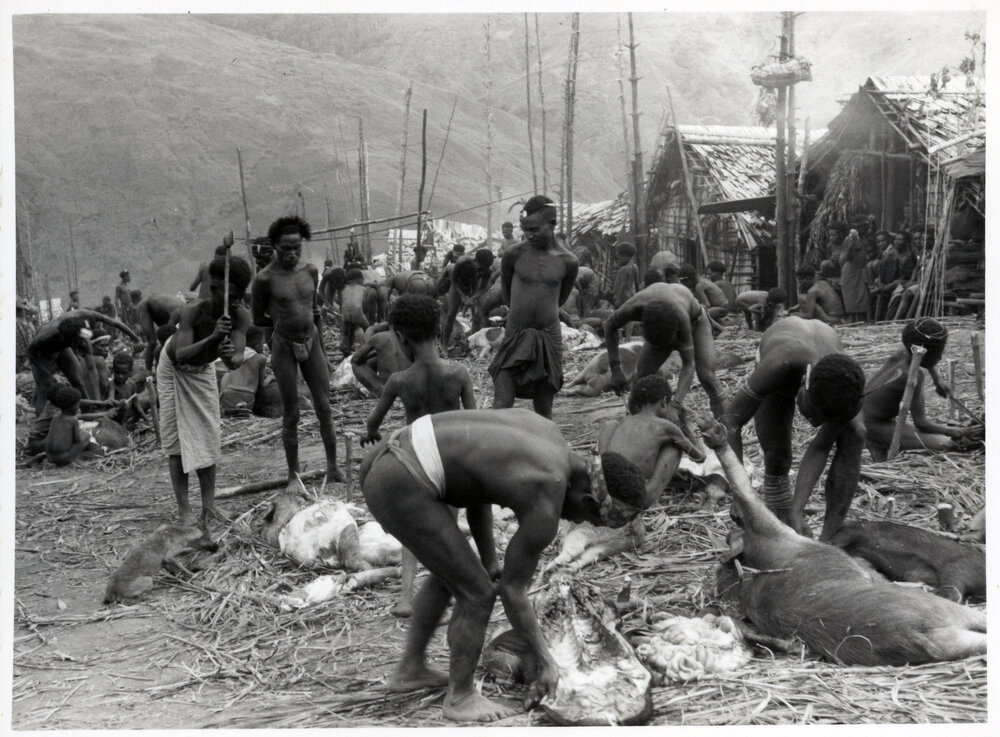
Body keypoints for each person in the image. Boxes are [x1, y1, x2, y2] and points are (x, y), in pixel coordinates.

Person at [360, 408, 646, 722]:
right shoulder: (548, 489)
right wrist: (547, 660)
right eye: (586, 517)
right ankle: (460, 697)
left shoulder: (548, 436)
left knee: (452, 576)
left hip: (391, 454)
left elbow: (477, 487)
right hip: (401, 480)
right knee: (478, 593)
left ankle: (411, 668)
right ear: (588, 499)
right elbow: (513, 591)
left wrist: (489, 559)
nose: (576, 520)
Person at [361, 294, 483, 618]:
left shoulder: (399, 381)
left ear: (400, 338)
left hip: (415, 462)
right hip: (451, 461)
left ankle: (405, 597)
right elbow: (475, 419)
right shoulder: (458, 373)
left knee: (414, 533)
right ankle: (455, 587)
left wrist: (370, 435)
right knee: (447, 528)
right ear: (438, 330)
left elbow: (373, 423)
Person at [721, 315, 866, 540]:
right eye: (812, 414)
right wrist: (740, 493)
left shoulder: (848, 394)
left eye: (821, 420)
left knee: (855, 433)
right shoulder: (779, 365)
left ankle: (830, 538)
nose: (815, 424)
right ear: (805, 387)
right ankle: (779, 524)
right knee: (777, 457)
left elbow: (821, 446)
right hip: (784, 352)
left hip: (826, 358)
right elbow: (731, 421)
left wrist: (798, 509)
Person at [159, 254, 252, 531]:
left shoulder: (240, 316)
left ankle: (209, 506)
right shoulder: (193, 312)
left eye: (239, 296)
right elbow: (180, 353)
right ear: (215, 290)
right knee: (176, 439)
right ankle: (184, 510)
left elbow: (235, 359)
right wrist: (212, 339)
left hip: (202, 370)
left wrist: (229, 355)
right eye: (231, 295)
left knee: (207, 433)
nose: (235, 301)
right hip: (174, 369)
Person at [251, 216, 344, 488]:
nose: (292, 254)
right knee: (291, 412)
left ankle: (333, 465)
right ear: (274, 247)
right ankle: (293, 475)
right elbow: (259, 318)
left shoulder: (310, 272)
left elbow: (314, 310)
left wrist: (320, 348)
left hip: (312, 341)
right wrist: (282, 334)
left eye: (296, 248)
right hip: (283, 345)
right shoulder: (265, 279)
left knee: (324, 407)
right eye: (285, 249)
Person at [489, 195, 578, 418]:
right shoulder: (513, 254)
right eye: (525, 229)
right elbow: (507, 293)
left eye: (535, 229)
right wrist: (520, 315)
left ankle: (544, 449)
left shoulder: (568, 261)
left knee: (544, 408)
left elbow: (559, 299)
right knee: (501, 405)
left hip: (548, 334)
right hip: (516, 332)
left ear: (552, 224)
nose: (529, 235)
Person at [863, 319, 982, 460]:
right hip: (871, 426)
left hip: (864, 417)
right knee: (948, 444)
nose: (940, 357)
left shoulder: (904, 350)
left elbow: (924, 357)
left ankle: (882, 443)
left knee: (944, 436)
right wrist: (957, 432)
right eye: (939, 354)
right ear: (926, 353)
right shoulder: (912, 375)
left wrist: (938, 381)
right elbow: (921, 423)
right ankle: (879, 442)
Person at [604, 282, 728, 419]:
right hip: (664, 325)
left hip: (697, 321)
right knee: (641, 380)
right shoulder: (632, 308)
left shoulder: (682, 318)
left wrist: (676, 405)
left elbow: (688, 364)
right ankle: (636, 422)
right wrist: (615, 368)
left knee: (707, 377)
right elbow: (609, 327)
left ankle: (728, 425)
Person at [597, 375, 706, 509]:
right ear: (665, 402)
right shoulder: (665, 427)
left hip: (600, 491)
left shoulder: (624, 421)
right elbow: (700, 457)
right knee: (674, 447)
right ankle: (652, 497)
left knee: (609, 424)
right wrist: (687, 425)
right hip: (634, 500)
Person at [27, 310, 139, 414]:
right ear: (66, 339)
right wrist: (48, 375)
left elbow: (91, 368)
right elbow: (31, 355)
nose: (81, 344)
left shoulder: (85, 327)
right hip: (40, 354)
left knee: (78, 381)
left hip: (65, 344)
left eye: (81, 340)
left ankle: (89, 412)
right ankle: (40, 426)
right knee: (45, 387)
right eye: (76, 342)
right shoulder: (45, 338)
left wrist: (98, 401)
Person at [441, 249, 495, 349]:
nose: (482, 271)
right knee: (451, 313)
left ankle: (471, 346)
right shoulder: (462, 262)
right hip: (458, 284)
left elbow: (483, 289)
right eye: (480, 268)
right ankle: (444, 344)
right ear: (475, 261)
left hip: (474, 285)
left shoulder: (487, 271)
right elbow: (454, 280)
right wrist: (462, 296)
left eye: (484, 269)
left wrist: (472, 298)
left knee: (476, 316)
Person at [350, 322, 412, 398]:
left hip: (393, 387)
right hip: (413, 385)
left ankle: (379, 388)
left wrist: (374, 350)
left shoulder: (380, 336)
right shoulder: (415, 334)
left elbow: (355, 359)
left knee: (358, 363)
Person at [219, 325, 270, 417]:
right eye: (262, 343)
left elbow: (227, 376)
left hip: (228, 394)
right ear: (256, 343)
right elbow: (262, 384)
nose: (263, 346)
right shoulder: (260, 359)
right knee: (243, 416)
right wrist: (271, 377)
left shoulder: (235, 357)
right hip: (246, 395)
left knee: (230, 418)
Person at [136, 293, 186, 371]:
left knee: (168, 343)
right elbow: (167, 336)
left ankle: (160, 367)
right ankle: (148, 371)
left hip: (161, 311)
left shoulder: (185, 315)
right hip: (146, 306)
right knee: (153, 342)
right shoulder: (178, 313)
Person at [339, 268, 370, 354]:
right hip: (357, 312)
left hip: (345, 314)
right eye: (362, 279)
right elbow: (365, 305)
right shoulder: (363, 289)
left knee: (347, 333)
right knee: (367, 328)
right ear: (359, 280)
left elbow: (342, 303)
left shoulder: (344, 289)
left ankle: (346, 349)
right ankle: (368, 348)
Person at [611, 242, 640, 309]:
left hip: (623, 300)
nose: (618, 261)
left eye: (619, 259)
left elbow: (620, 287)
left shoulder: (622, 270)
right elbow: (637, 284)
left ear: (625, 256)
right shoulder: (635, 267)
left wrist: (616, 299)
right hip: (632, 298)